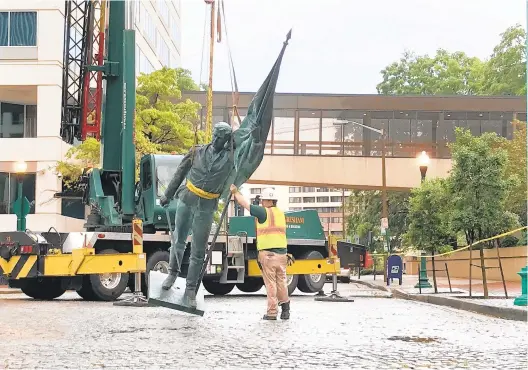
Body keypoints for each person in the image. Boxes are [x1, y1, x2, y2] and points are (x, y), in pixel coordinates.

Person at [159, 122, 235, 308]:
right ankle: (172, 272)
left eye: (220, 137)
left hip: (207, 206)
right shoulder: (196, 152)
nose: (216, 139)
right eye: (215, 135)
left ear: (226, 140)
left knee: (199, 250)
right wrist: (167, 194)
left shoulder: (230, 159)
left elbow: (245, 147)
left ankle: (191, 289)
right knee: (178, 240)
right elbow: (179, 173)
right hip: (187, 199)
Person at [230, 184, 291, 320]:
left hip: (268, 255)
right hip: (282, 254)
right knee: (281, 282)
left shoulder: (264, 212)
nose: (262, 202)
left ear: (270, 201)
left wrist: (235, 192)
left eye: (264, 200)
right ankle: (286, 309)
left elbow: (245, 204)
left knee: (270, 284)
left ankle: (272, 312)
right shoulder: (281, 213)